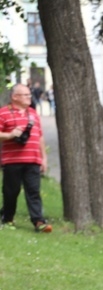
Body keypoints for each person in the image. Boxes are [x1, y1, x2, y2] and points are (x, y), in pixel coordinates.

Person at [0, 83, 52, 232]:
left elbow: (40, 136)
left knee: (34, 191)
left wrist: (44, 158)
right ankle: (7, 218)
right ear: (15, 97)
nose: (30, 97)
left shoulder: (33, 114)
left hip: (33, 160)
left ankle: (38, 222)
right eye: (26, 95)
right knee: (11, 191)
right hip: (12, 161)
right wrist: (9, 135)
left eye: (29, 95)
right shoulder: (3, 113)